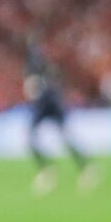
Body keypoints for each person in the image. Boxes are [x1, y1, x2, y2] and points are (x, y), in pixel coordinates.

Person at [22, 45, 95, 195]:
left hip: (52, 106)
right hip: (42, 107)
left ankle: (84, 167)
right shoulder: (33, 72)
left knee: (64, 139)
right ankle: (48, 169)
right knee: (32, 140)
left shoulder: (45, 73)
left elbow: (50, 92)